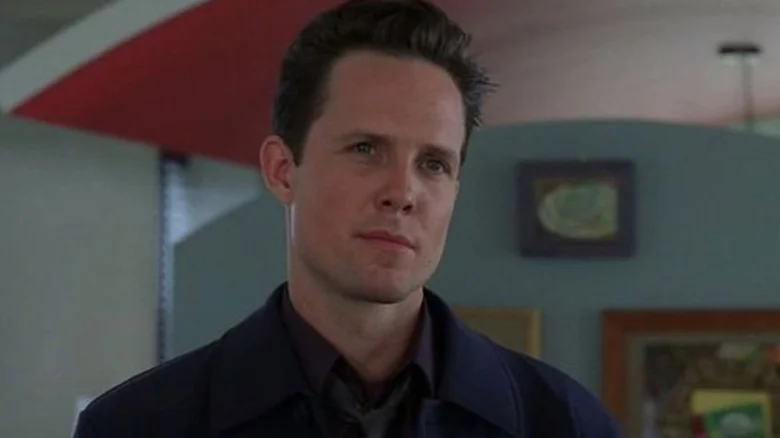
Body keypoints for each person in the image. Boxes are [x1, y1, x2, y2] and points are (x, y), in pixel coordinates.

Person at [74, 1, 622, 437]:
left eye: (433, 163)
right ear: (282, 170)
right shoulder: (139, 425)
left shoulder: (565, 423)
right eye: (365, 149)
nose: (402, 193)